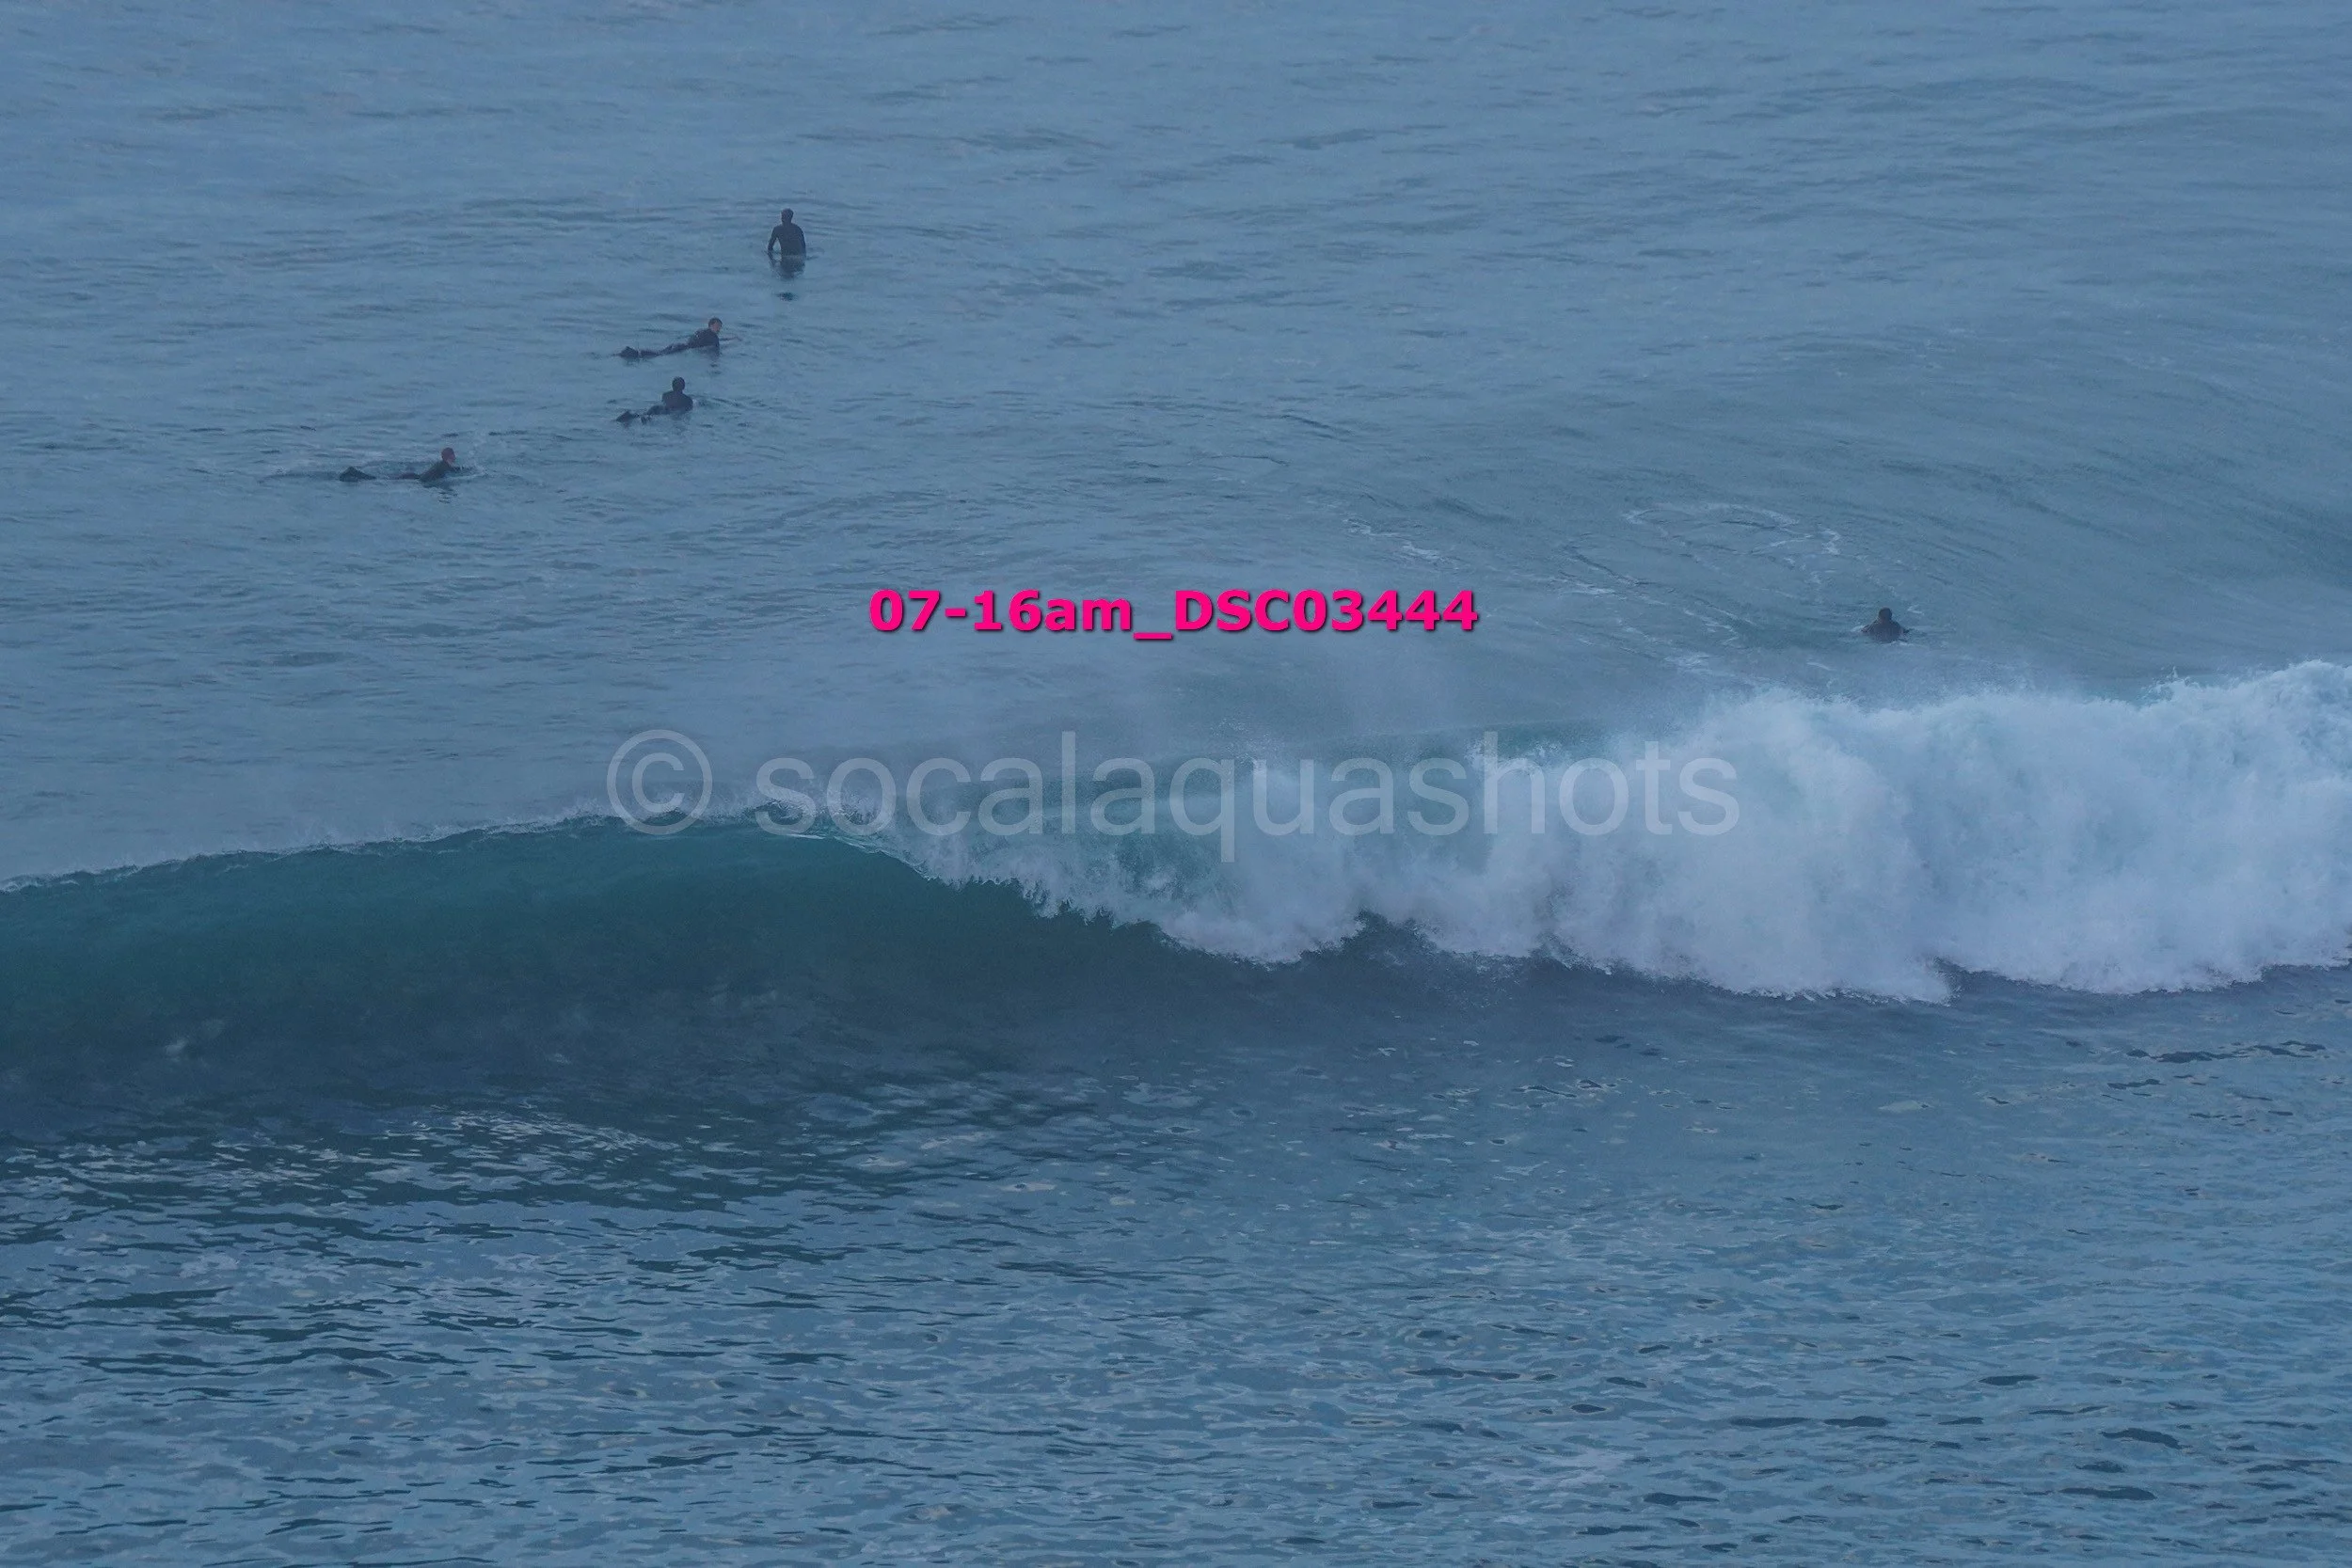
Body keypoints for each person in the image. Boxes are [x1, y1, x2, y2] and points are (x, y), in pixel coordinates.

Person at [620, 318, 723, 359]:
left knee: (659, 353)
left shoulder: (702, 331)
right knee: (659, 354)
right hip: (683, 348)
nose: (719, 329)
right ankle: (637, 354)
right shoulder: (713, 338)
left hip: (679, 345)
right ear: (711, 325)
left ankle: (637, 352)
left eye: (719, 327)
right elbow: (715, 348)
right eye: (717, 326)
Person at [341, 447, 458, 482]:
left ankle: (355, 473)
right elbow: (456, 471)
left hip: (413, 476)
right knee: (378, 480)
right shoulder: (444, 465)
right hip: (414, 479)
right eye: (453, 454)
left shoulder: (441, 464)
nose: (455, 457)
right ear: (450, 456)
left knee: (382, 479)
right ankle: (354, 472)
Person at [619, 379, 694, 422]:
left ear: (672, 386)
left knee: (644, 414)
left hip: (657, 407)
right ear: (683, 386)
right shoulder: (687, 399)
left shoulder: (665, 395)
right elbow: (687, 411)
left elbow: (663, 402)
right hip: (668, 411)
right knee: (649, 416)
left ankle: (630, 415)